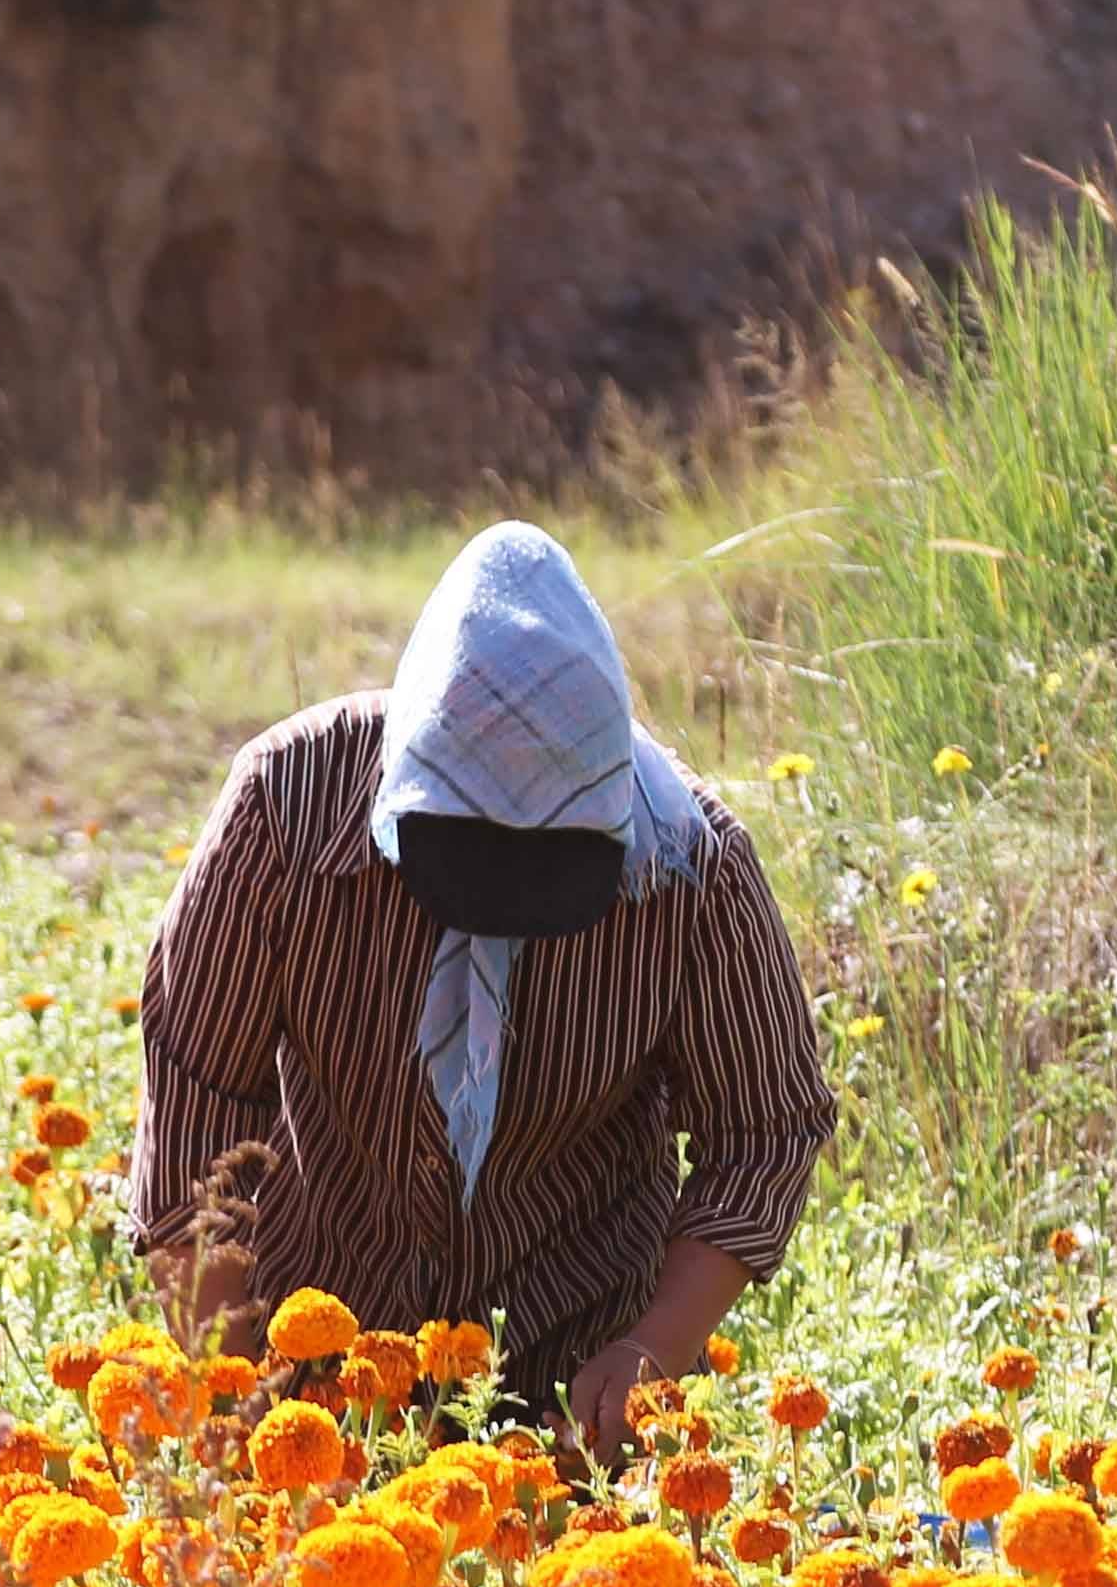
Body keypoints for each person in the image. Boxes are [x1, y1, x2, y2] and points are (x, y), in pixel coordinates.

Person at [129, 522, 832, 1460]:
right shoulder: (284, 814)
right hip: (312, 1353)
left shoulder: (689, 866)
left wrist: (652, 1351)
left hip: (576, 1380)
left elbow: (766, 1131)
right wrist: (237, 1402)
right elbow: (196, 1109)